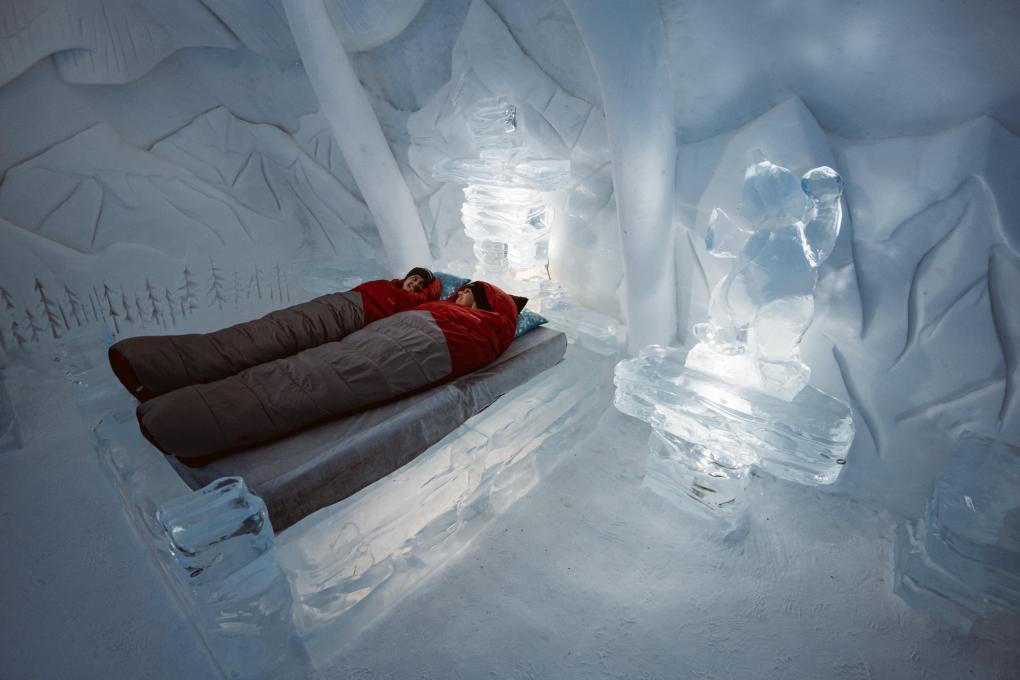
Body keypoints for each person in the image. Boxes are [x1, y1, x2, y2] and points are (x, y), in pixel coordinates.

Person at [137, 280, 520, 462]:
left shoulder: (484, 329)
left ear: (486, 304)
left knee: (310, 378)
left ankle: (187, 418)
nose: (460, 293)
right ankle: (169, 384)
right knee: (301, 365)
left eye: (468, 292)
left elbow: (463, 343)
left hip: (420, 345)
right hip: (395, 332)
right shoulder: (447, 309)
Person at [109, 267, 440, 401]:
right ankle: (154, 367)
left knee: (263, 356)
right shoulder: (386, 285)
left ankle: (167, 381)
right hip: (331, 308)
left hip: (343, 321)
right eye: (413, 278)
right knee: (253, 339)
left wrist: (433, 286)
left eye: (420, 284)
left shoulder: (410, 304)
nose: (414, 284)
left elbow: (430, 296)